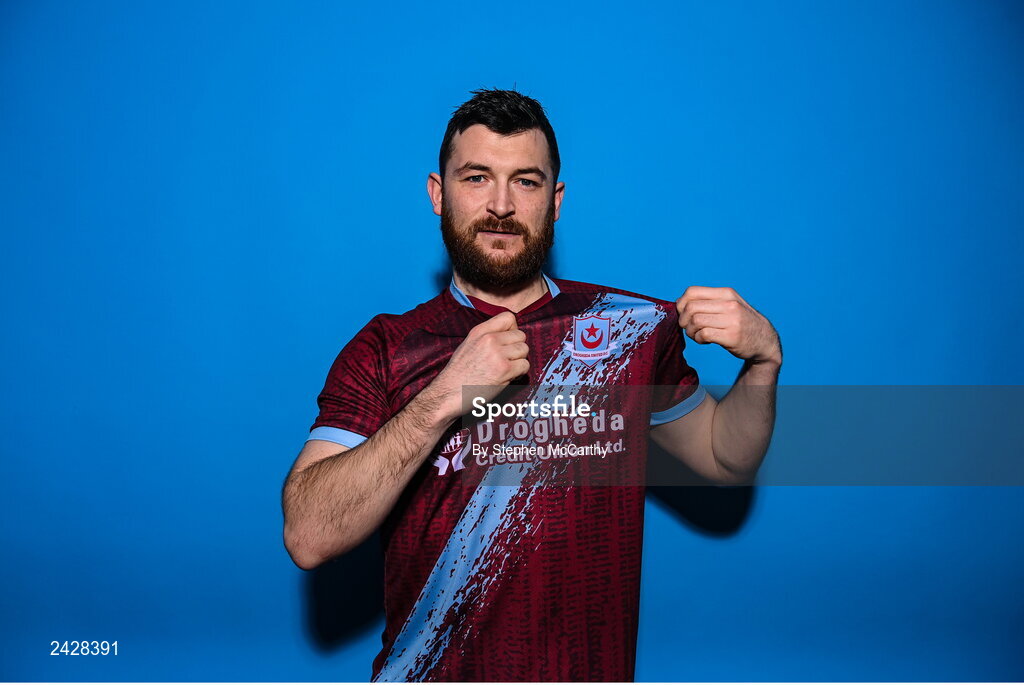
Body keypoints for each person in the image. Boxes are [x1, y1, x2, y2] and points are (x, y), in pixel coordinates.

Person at [282, 88, 782, 682]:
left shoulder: (626, 332)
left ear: (556, 200)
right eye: (476, 178)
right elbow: (308, 535)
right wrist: (446, 395)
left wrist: (764, 364)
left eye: (525, 181)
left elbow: (726, 458)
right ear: (438, 196)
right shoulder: (387, 348)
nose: (500, 204)